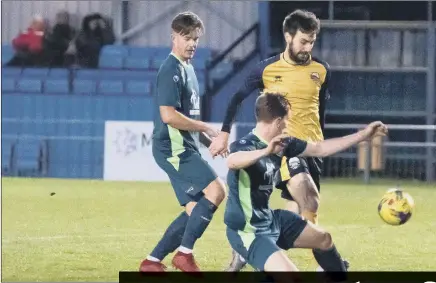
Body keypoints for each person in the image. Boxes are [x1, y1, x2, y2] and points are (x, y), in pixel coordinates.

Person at [208, 9, 335, 271]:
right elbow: (236, 98)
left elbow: (320, 108)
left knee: (299, 208)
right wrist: (223, 134)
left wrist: (320, 143)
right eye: (303, 41)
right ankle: (321, 261)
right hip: (285, 148)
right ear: (288, 36)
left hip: (311, 148)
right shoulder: (266, 68)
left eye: (312, 41)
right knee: (308, 198)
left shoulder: (321, 70)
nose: (308, 47)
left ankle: (253, 249)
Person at [224, 93, 387, 277]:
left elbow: (320, 149)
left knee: (324, 239)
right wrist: (266, 151)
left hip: (270, 220)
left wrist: (364, 135)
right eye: (287, 121)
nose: (287, 125)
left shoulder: (284, 143)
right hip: (247, 230)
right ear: (278, 121)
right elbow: (232, 161)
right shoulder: (245, 145)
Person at [139, 12, 227, 273]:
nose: (192, 44)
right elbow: (168, 116)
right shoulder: (170, 69)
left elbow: (188, 116)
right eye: (187, 38)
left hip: (183, 146)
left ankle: (152, 262)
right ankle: (184, 255)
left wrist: (207, 139)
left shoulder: (188, 69)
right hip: (173, 148)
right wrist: (206, 129)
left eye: (196, 39)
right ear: (174, 37)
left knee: (194, 209)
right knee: (217, 191)